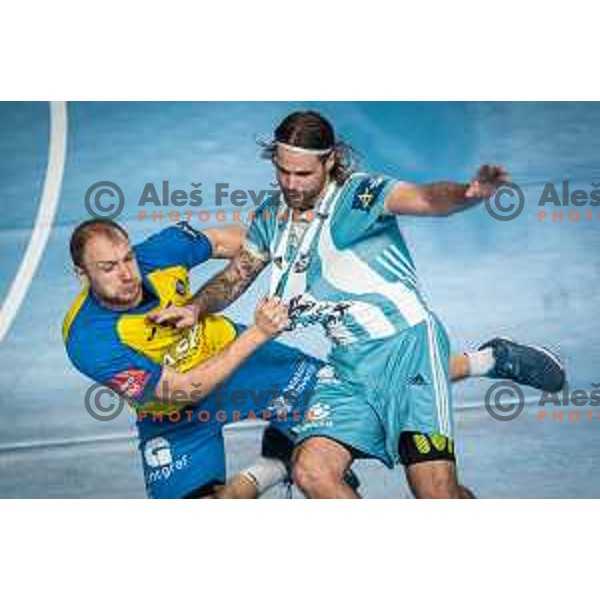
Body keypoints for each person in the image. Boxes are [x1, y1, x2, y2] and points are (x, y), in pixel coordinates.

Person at [152, 110, 566, 499]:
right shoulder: (269, 217)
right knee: (311, 471)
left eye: (303, 173)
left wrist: (468, 193)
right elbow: (235, 276)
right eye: (283, 170)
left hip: (409, 349)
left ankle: (495, 359)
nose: (291, 183)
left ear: (330, 161)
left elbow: (425, 198)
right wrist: (195, 309)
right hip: (349, 365)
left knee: (437, 493)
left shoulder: (359, 196)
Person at [63, 219, 315, 499]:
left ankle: (292, 452)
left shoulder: (160, 253)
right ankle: (276, 463)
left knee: (348, 404)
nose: (126, 274)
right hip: (175, 412)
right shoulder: (89, 340)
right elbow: (183, 390)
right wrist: (259, 333)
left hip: (239, 362)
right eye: (108, 267)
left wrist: (291, 248)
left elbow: (224, 240)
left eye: (128, 258)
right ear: (82, 274)